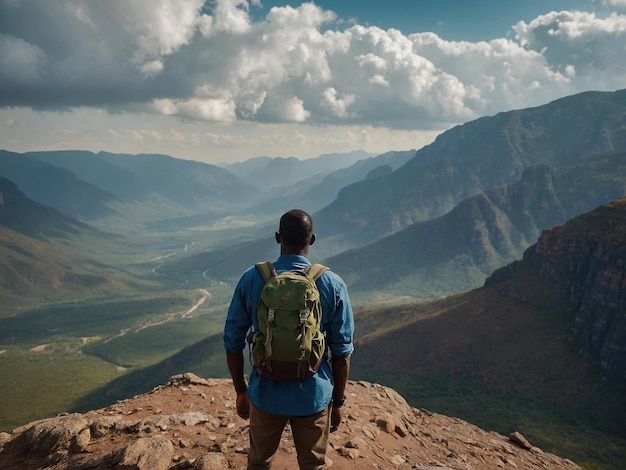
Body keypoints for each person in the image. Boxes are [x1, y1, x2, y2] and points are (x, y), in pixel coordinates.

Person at [224, 209, 354, 470]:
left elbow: (232, 341)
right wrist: (337, 402)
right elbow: (342, 352)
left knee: (259, 463)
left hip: (265, 393)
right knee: (313, 465)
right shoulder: (331, 283)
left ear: (277, 238)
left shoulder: (252, 278)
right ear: (312, 239)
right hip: (313, 396)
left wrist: (241, 390)